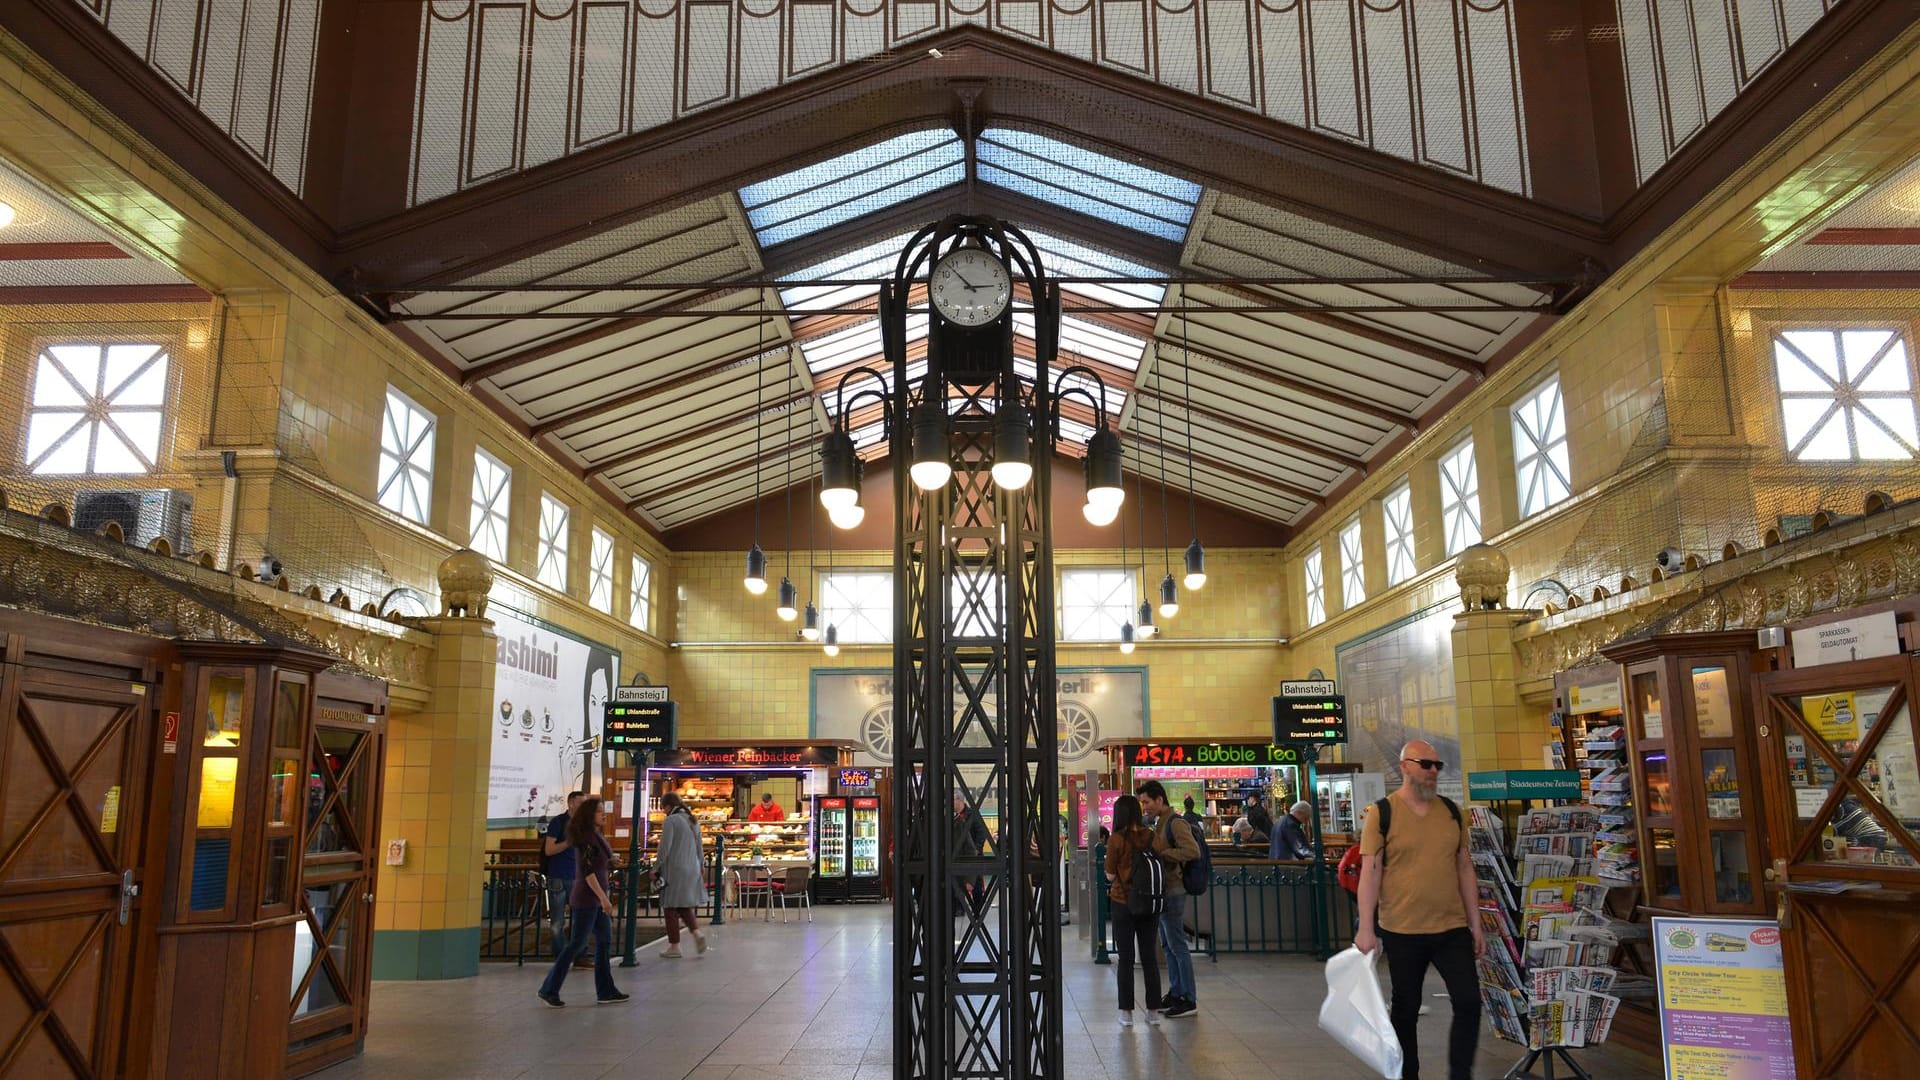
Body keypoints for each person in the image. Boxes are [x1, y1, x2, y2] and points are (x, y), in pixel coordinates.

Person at [1354, 741, 1483, 1080]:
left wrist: (1476, 924)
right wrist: (1365, 927)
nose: (1433, 771)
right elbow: (1370, 872)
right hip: (1402, 929)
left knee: (1469, 1001)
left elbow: (1465, 868)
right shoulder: (1382, 813)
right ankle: (1407, 1074)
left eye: (1437, 766)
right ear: (1405, 767)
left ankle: (1460, 1073)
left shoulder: (1453, 812)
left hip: (1451, 928)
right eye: (1426, 764)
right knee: (1406, 1009)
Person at [537, 796, 627, 1007]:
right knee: (576, 943)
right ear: (589, 815)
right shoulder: (586, 837)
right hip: (588, 898)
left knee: (604, 941)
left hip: (595, 898)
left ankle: (606, 990)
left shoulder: (594, 835)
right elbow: (587, 871)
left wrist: (611, 860)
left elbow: (597, 861)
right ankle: (549, 988)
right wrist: (604, 899)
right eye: (599, 811)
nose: (604, 814)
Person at [1136, 780, 1200, 1018]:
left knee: (1177, 945)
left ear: (1159, 800)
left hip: (1173, 890)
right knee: (1168, 944)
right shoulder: (1160, 823)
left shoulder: (1176, 823)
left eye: (1147, 802)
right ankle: (1176, 991)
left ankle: (1188, 998)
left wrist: (1164, 854)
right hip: (1163, 891)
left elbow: (1193, 851)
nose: (1145, 807)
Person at [1103, 794, 1164, 1029]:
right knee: (1149, 957)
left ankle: (1127, 1013)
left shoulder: (1117, 839)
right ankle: (1153, 1011)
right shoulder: (1152, 836)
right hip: (1150, 902)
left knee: (1126, 958)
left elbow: (1109, 874)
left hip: (1123, 901)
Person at [656, 792, 711, 957]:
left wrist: (655, 867)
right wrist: (701, 865)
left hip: (675, 868)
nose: (664, 811)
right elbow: (700, 846)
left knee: (670, 906)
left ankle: (675, 946)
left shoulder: (671, 821)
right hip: (692, 867)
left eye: (663, 808)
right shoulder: (693, 820)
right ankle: (697, 934)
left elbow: (664, 848)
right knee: (683, 904)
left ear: (668, 806)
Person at [542, 790, 585, 958]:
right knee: (557, 920)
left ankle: (577, 954)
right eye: (581, 803)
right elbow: (549, 849)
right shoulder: (558, 822)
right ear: (571, 803)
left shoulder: (583, 824)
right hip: (558, 875)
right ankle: (559, 954)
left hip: (577, 876)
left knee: (580, 919)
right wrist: (568, 842)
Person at [953, 791, 990, 916]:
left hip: (974, 856)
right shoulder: (953, 817)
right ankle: (959, 908)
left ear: (959, 801)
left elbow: (982, 833)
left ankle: (978, 908)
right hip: (958, 857)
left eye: (953, 801)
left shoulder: (972, 815)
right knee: (958, 882)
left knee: (976, 884)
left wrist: (976, 850)